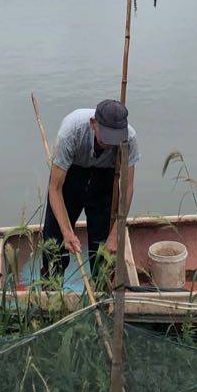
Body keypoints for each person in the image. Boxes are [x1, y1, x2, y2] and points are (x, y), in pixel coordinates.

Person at [42, 99, 139, 276]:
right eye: (107, 137)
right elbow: (54, 188)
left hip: (105, 176)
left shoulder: (129, 139)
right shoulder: (71, 133)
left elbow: (127, 188)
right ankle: (51, 289)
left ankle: (101, 292)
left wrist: (115, 234)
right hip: (71, 173)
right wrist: (67, 232)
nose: (111, 144)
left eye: (115, 139)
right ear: (93, 124)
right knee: (54, 240)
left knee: (102, 246)